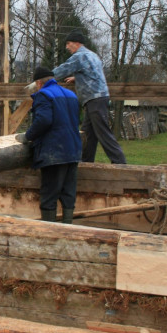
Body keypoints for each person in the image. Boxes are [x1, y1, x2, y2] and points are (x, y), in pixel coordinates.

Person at [17, 66, 82, 223]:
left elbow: (44, 120)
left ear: (39, 83)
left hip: (54, 152)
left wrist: (28, 136)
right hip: (73, 150)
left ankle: (49, 231)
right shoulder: (72, 95)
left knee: (49, 195)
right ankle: (68, 227)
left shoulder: (43, 95)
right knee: (68, 192)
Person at [53, 30, 127, 164]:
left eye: (68, 44)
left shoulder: (79, 57)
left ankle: (120, 164)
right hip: (97, 98)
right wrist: (77, 78)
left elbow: (62, 70)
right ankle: (86, 163)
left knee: (104, 134)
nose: (67, 47)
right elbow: (94, 74)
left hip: (94, 99)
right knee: (87, 135)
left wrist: (44, 78)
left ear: (76, 43)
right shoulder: (93, 55)